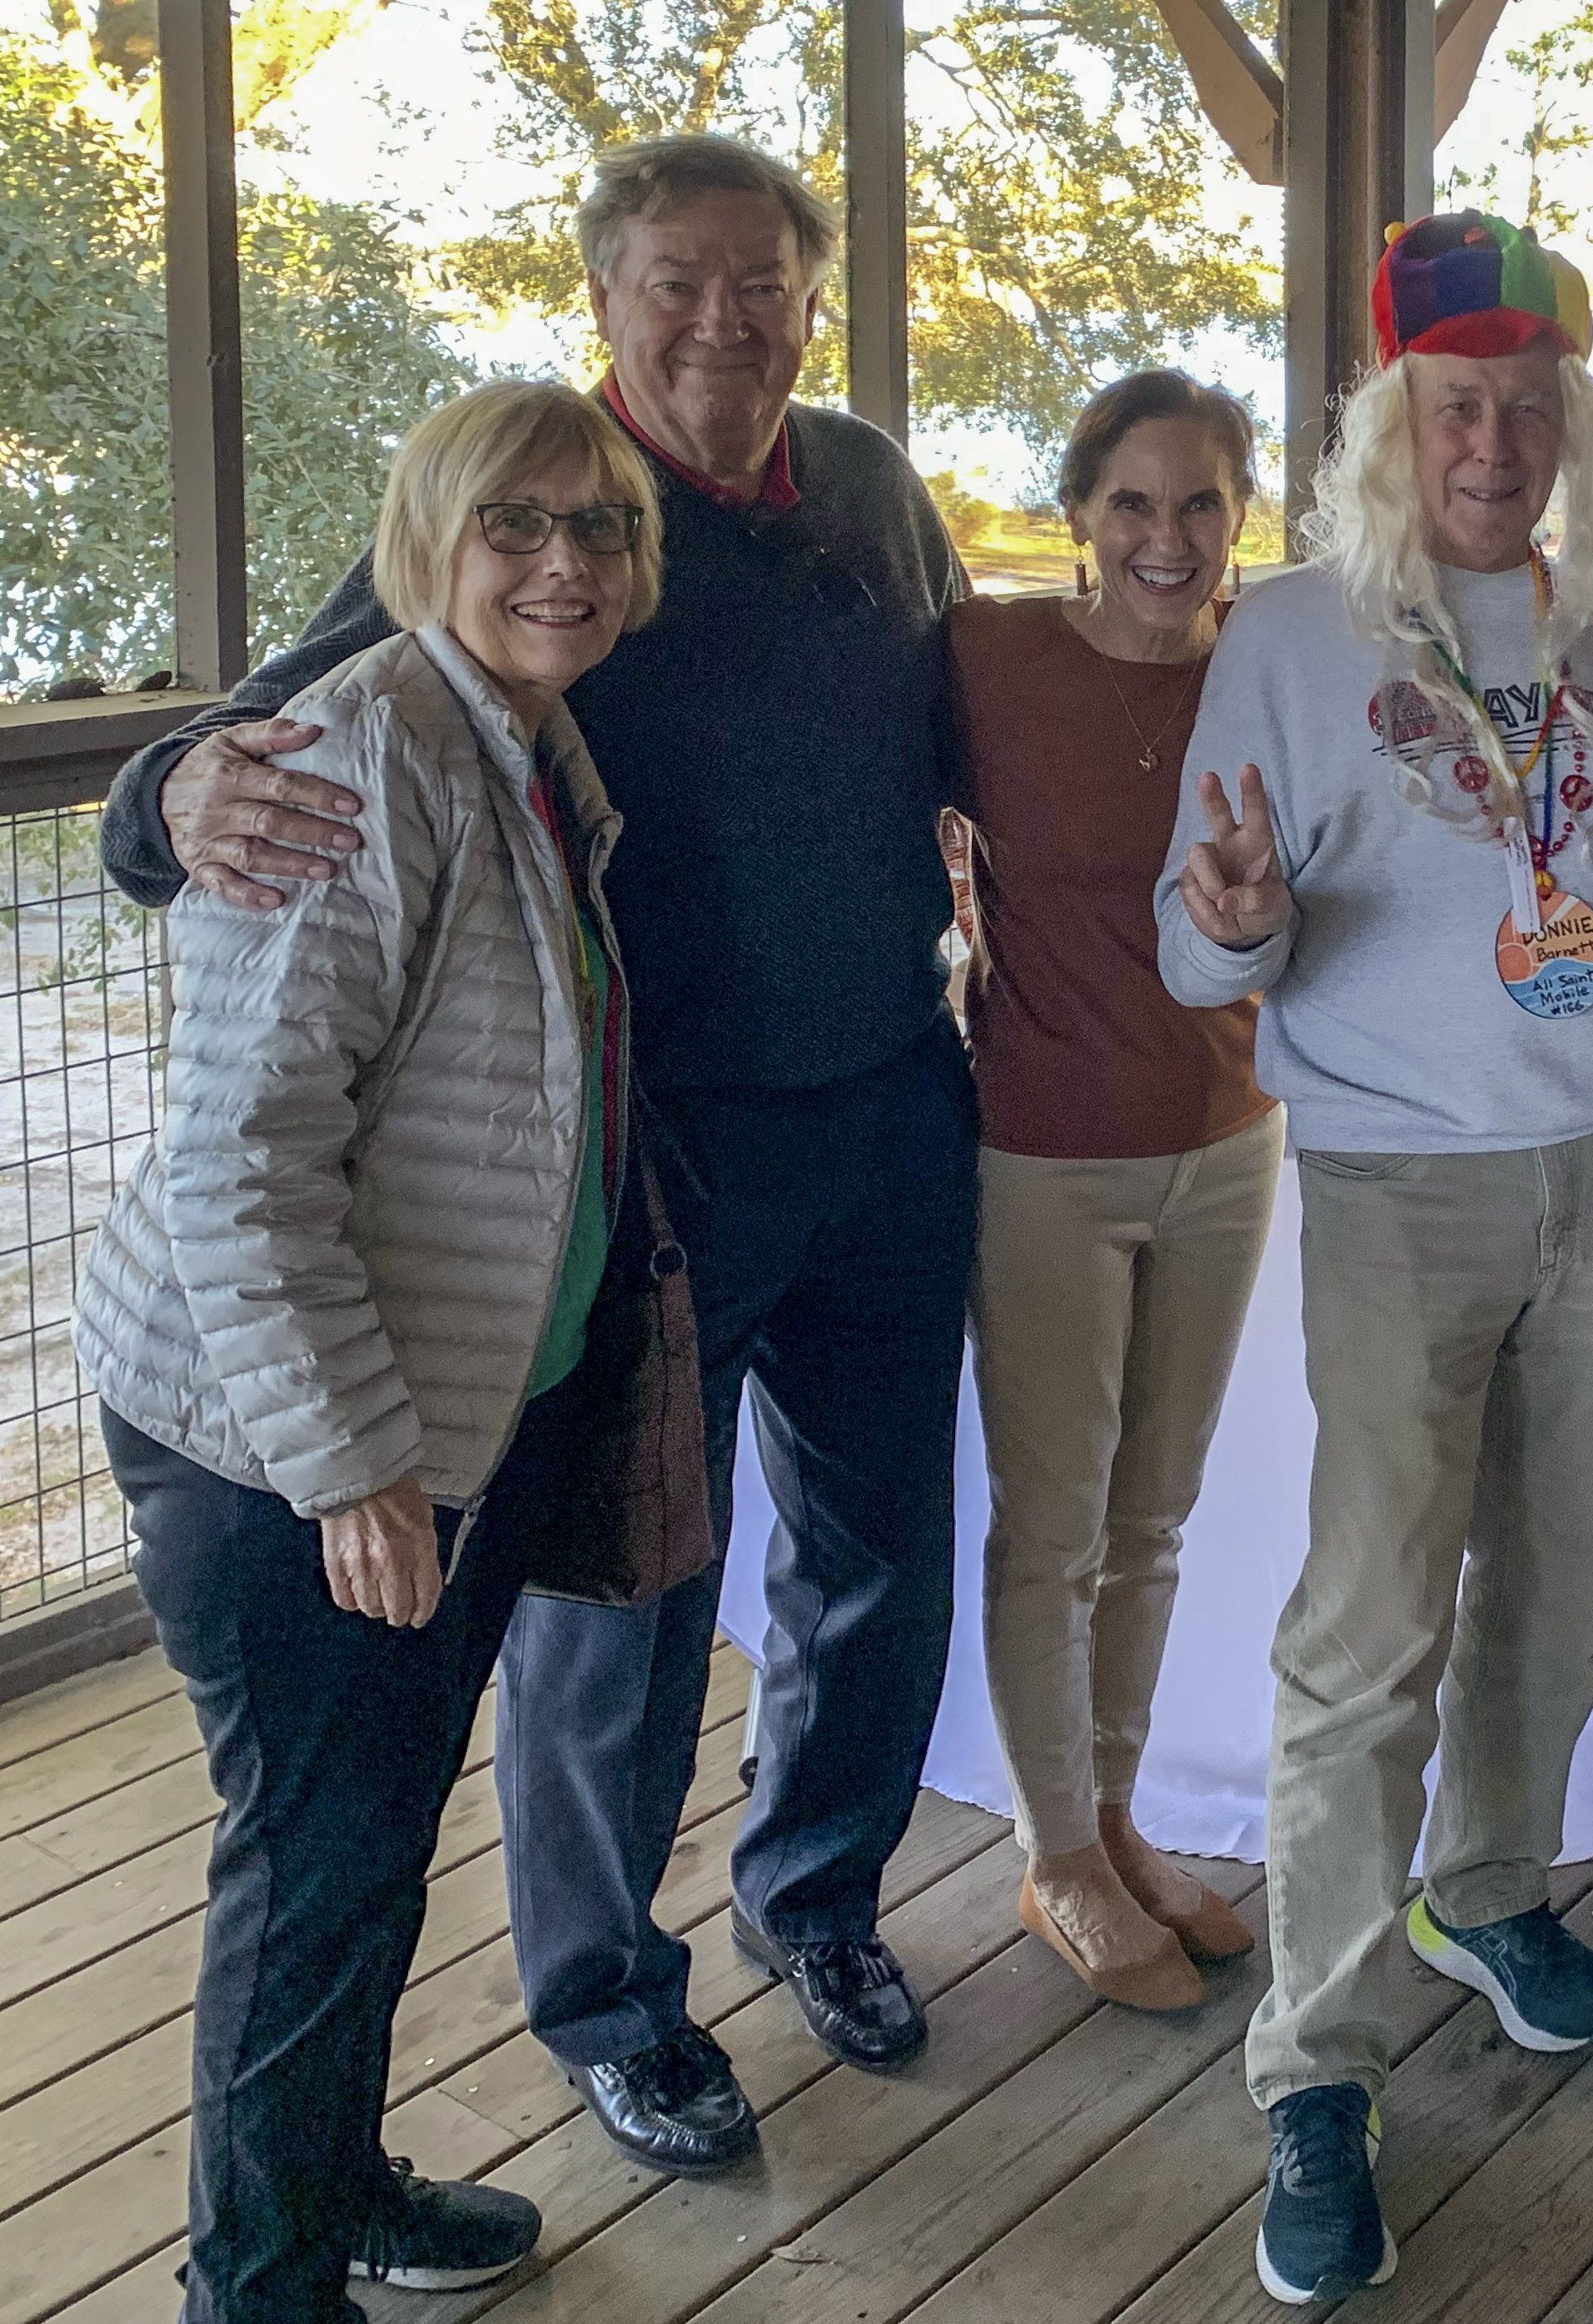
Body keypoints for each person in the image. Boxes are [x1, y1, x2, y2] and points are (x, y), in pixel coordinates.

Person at [96, 132, 973, 2171]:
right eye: (676, 280)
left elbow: (947, 725)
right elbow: (282, 720)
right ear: (605, 301)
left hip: (886, 1111)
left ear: (807, 299)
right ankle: (605, 1992)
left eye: (759, 281)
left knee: (874, 1552)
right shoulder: (535, 502)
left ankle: (816, 1894)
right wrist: (156, 797)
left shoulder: (863, 489)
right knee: (626, 1591)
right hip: (644, 1156)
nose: (721, 320)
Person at [1154, 212, 1593, 2307]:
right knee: (1366, 1624)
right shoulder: (1288, 633)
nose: (1495, 438)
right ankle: (1314, 2062)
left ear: (1571, 423)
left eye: (1531, 404)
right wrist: (1242, 912)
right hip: (1393, 1184)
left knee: (1564, 1579)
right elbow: (1196, 941)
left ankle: (1489, 1881)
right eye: (1457, 404)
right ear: (1390, 419)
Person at [73, 379, 669, 2319]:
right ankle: (255, 2276)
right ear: (425, 537)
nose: (561, 562)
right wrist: (345, 1465)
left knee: (368, 1847)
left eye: (596, 527)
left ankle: (327, 2180)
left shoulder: (514, 733)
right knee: (315, 1865)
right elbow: (245, 1158)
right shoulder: (354, 757)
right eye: (516, 522)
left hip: (445, 1414)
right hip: (288, 1445)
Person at [948, 371, 1274, 2011]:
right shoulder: (991, 662)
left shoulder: (1268, 673)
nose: (1166, 537)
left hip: (1228, 1138)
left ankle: (1120, 1817)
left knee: (1151, 1522)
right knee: (1053, 1528)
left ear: (1241, 517)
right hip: (1041, 1152)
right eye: (1133, 503)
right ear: (1077, 515)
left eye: (1199, 503)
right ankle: (1055, 1851)